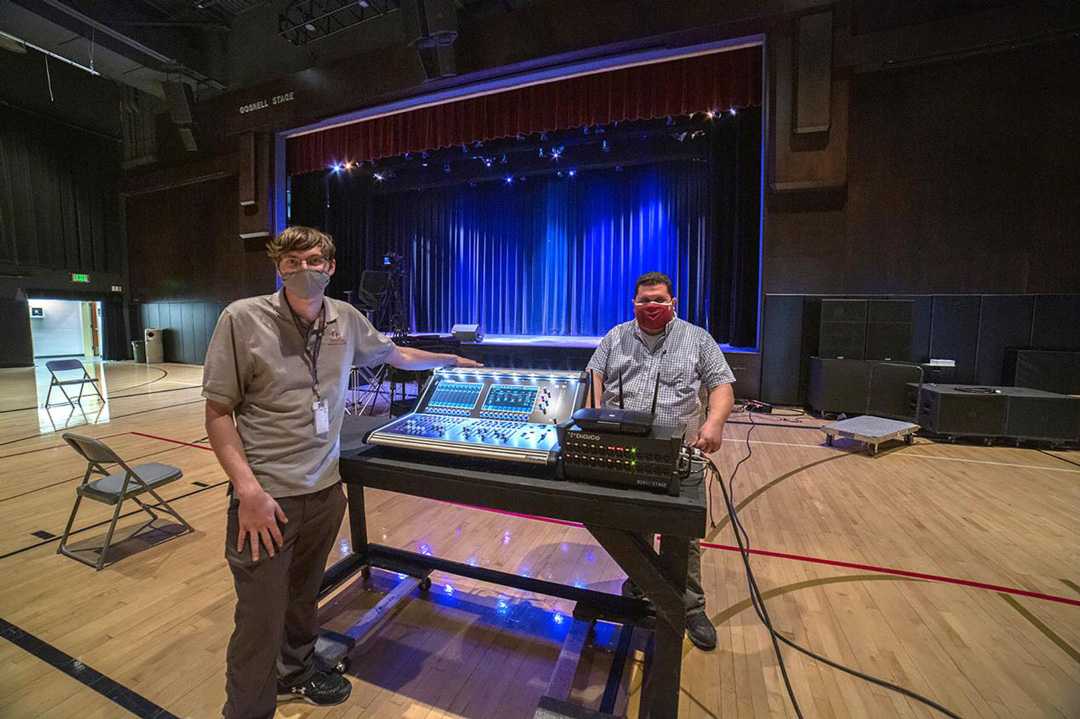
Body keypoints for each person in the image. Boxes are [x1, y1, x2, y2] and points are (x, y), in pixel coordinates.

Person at [202, 226, 480, 718]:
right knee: (258, 620)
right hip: (266, 499)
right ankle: (246, 711)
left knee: (303, 599)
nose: (302, 270)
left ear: (330, 267)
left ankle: (298, 671)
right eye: (291, 262)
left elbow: (396, 354)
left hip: (325, 492)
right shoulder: (242, 319)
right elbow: (218, 412)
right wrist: (247, 491)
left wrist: (450, 360)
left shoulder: (346, 319)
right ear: (278, 267)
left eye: (312, 261)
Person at [585, 271, 735, 650]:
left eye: (658, 300)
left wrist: (714, 423)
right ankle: (640, 584)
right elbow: (593, 376)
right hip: (624, 449)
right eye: (644, 301)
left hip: (681, 454)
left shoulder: (697, 339)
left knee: (681, 537)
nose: (651, 307)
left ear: (673, 303)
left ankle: (691, 608)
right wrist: (592, 414)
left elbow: (721, 385)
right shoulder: (615, 337)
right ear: (633, 303)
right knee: (631, 525)